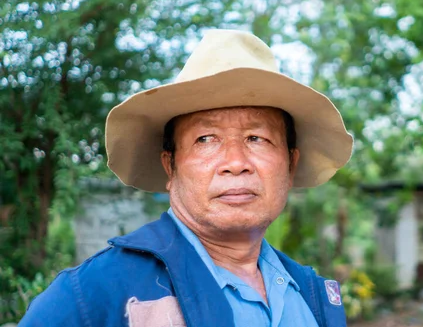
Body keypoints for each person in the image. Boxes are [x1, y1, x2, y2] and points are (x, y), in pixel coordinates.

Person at [19, 29, 353, 326]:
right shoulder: (95, 294)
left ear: (290, 164)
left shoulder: (314, 295)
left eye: (257, 138)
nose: (235, 163)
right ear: (171, 165)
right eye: (206, 139)